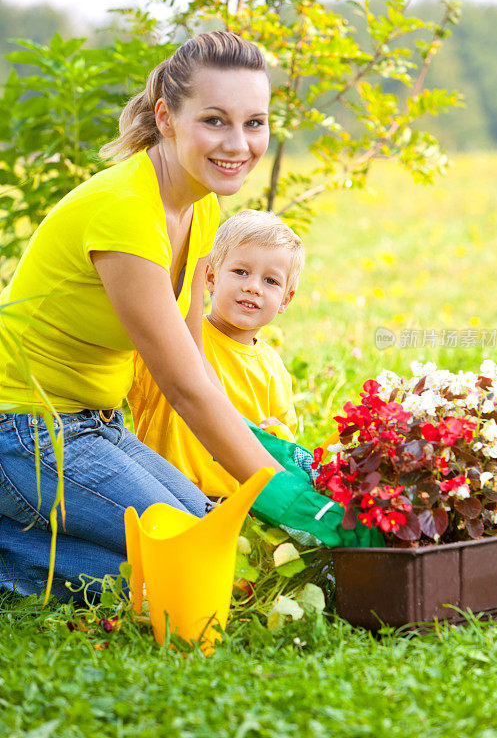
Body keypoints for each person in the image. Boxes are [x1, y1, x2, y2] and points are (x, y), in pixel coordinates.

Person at [0, 31, 286, 601]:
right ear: (167, 117)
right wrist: (282, 496)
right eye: (215, 120)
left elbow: (196, 366)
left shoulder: (199, 207)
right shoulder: (128, 213)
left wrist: (266, 454)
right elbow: (183, 388)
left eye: (254, 123)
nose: (239, 143)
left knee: (208, 527)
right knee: (187, 561)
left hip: (97, 425)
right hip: (22, 430)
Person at [128, 209, 305, 498]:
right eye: (240, 272)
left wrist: (277, 433)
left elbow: (285, 444)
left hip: (237, 506)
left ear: (286, 299)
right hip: (164, 490)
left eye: (270, 281)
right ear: (209, 277)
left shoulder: (273, 369)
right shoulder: (178, 334)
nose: (253, 287)